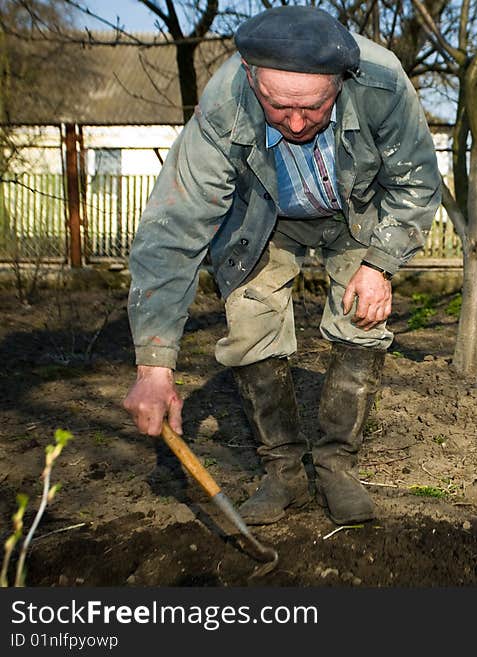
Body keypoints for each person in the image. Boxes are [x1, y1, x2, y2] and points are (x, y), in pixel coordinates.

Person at [122, 5, 442, 527]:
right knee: (250, 325)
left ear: (342, 80)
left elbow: (416, 184)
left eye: (313, 108)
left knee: (362, 320)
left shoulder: (382, 84)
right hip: (263, 216)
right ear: (252, 78)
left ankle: (338, 465)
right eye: (277, 106)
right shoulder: (225, 103)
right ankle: (283, 473)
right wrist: (154, 367)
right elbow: (174, 229)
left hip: (353, 214)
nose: (295, 123)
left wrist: (381, 264)